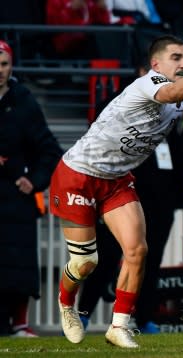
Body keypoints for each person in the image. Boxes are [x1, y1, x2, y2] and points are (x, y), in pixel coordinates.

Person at [48, 35, 183, 348]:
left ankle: (119, 325)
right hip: (78, 175)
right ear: (155, 64)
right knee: (86, 263)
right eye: (176, 58)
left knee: (138, 250)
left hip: (116, 180)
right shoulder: (148, 83)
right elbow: (172, 91)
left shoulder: (182, 98)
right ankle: (66, 305)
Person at [0, 40, 63, 337]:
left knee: (18, 261)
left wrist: (34, 181)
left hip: (15, 198)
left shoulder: (24, 100)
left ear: (11, 66)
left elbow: (50, 149)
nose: (0, 71)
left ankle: (19, 324)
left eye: (4, 64)